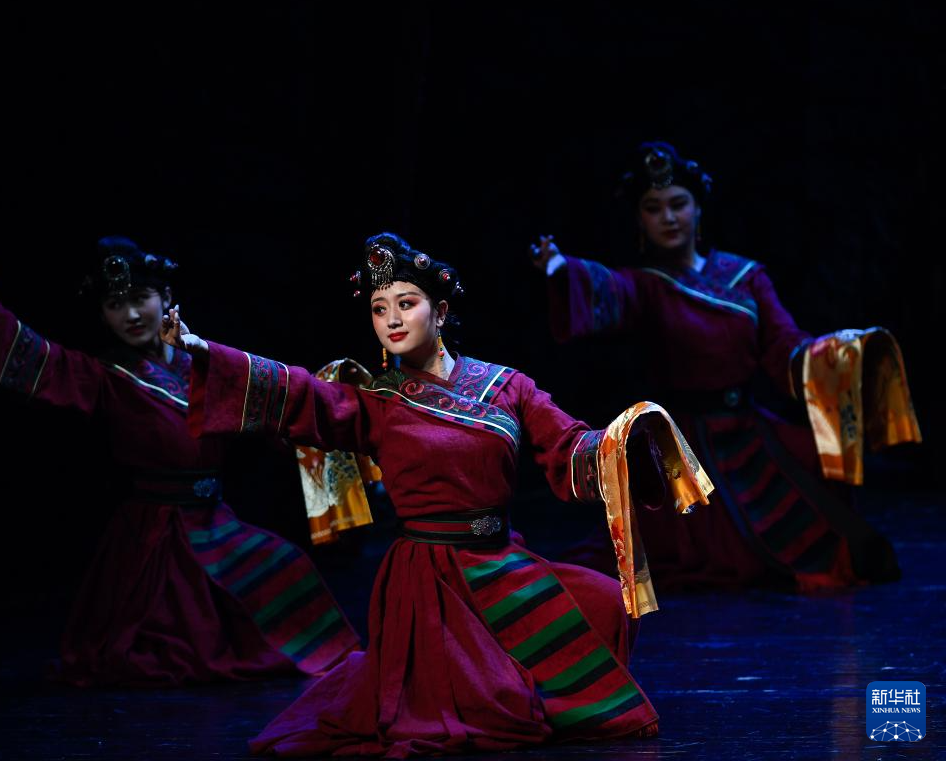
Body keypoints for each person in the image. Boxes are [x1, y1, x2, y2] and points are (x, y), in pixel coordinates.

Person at [161, 232, 713, 756]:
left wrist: (625, 439)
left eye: (406, 304)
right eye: (379, 309)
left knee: (604, 603)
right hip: (430, 575)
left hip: (500, 559)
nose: (392, 319)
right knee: (490, 707)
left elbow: (567, 444)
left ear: (441, 311)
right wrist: (203, 352)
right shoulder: (377, 401)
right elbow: (302, 395)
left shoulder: (506, 386)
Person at [0, 237, 358, 686]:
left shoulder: (203, 362)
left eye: (139, 299)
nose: (130, 314)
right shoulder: (104, 375)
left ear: (165, 298)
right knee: (176, 632)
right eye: (115, 305)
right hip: (154, 529)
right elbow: (44, 362)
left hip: (214, 518)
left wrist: (321, 407)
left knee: (284, 562)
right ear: (102, 315)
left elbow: (263, 406)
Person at [530, 141, 901, 591]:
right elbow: (604, 289)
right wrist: (560, 268)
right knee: (706, 558)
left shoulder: (745, 277)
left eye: (678, 204)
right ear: (640, 220)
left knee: (831, 540)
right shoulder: (643, 285)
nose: (668, 217)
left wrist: (833, 352)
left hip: (749, 434)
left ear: (698, 209)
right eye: (653, 208)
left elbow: (783, 344)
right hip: (679, 449)